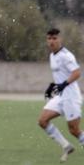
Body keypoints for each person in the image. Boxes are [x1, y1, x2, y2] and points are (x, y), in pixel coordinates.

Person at [38, 28, 84, 162]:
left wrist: (64, 84)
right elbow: (60, 75)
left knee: (74, 130)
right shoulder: (52, 56)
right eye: (49, 38)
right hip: (61, 96)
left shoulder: (66, 55)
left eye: (54, 38)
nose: (51, 41)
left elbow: (76, 73)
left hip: (71, 97)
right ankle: (66, 146)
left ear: (60, 39)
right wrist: (52, 86)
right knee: (42, 121)